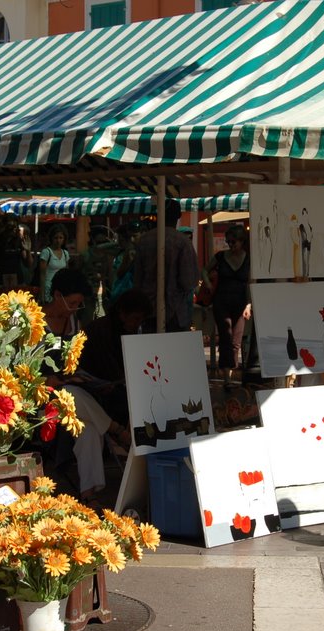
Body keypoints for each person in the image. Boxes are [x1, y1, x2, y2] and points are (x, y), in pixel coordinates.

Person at [40, 268, 130, 502]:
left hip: (72, 397)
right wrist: (55, 380)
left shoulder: (73, 322)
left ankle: (88, 493)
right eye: (72, 302)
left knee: (88, 428)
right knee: (69, 392)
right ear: (57, 295)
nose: (75, 308)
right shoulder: (36, 322)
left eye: (79, 304)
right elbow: (28, 372)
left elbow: (74, 365)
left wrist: (90, 381)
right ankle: (116, 430)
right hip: (41, 397)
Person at [78, 288, 153, 426]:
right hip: (94, 386)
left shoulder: (129, 330)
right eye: (136, 319)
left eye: (141, 320)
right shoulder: (102, 330)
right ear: (123, 313)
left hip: (113, 383)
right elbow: (109, 371)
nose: (138, 324)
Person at [134, 199, 199, 332]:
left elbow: (137, 279)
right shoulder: (183, 242)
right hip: (176, 312)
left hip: (149, 309)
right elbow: (189, 281)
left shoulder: (144, 240)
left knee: (152, 350)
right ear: (178, 216)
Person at [203, 225, 251, 386]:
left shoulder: (249, 259)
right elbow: (204, 270)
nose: (231, 245)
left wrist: (249, 305)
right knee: (225, 335)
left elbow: (251, 282)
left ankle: (230, 372)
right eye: (228, 242)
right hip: (221, 300)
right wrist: (208, 283)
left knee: (236, 339)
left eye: (234, 242)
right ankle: (226, 377)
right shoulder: (221, 256)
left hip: (240, 302)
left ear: (242, 241)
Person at [38, 224, 71, 303]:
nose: (58, 240)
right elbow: (42, 275)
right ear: (51, 238)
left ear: (64, 239)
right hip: (48, 289)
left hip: (61, 289)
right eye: (56, 238)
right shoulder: (46, 252)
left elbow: (66, 273)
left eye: (60, 238)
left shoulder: (65, 253)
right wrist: (42, 295)